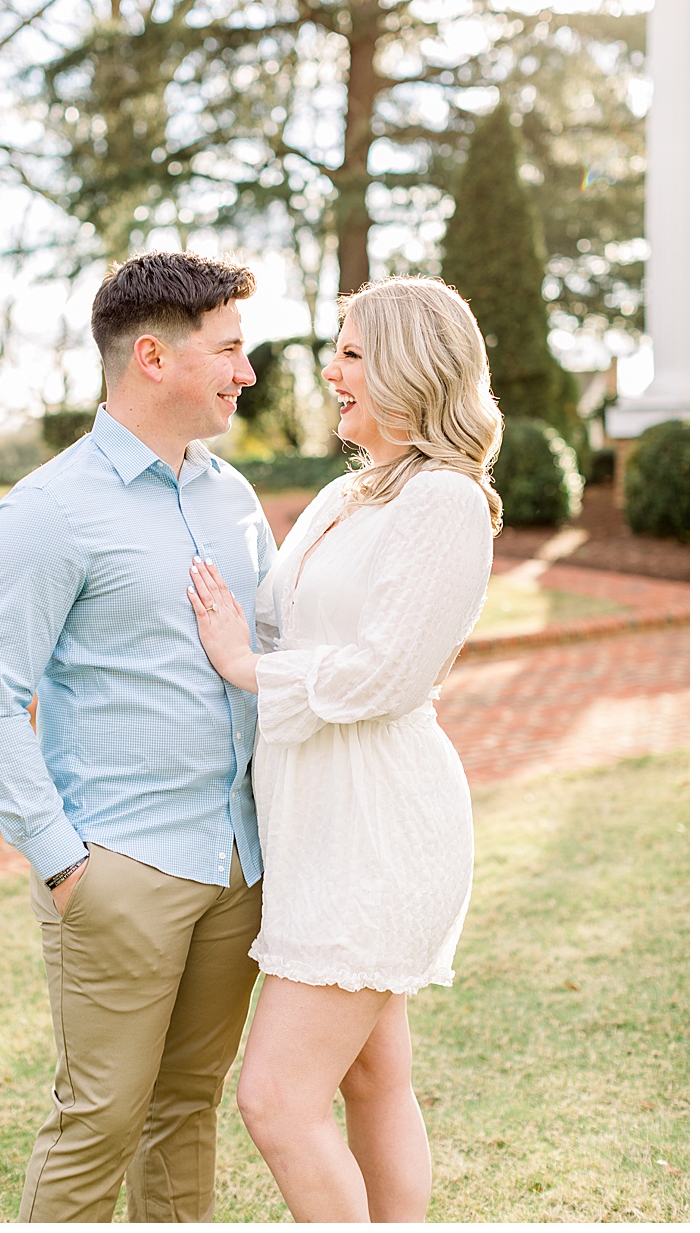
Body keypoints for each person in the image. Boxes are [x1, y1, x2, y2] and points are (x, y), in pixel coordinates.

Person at [0, 251, 277, 1222]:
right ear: (153, 357)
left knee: (188, 1108)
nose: (246, 373)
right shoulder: (48, 511)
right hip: (120, 869)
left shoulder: (235, 501)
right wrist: (63, 863)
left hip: (237, 864)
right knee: (98, 1118)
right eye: (229, 350)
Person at [186, 275, 501, 1221]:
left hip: (378, 828)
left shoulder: (444, 503)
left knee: (276, 1099)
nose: (330, 371)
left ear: (412, 369)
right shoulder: (345, 495)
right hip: (312, 820)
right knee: (372, 1080)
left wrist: (244, 666)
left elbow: (384, 676)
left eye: (354, 353)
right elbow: (287, 634)